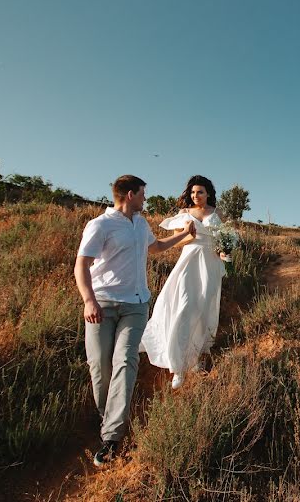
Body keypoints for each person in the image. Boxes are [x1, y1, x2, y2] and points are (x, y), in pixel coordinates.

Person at [74, 175, 195, 467]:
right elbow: (82, 265)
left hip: (136, 305)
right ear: (130, 195)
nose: (145, 199)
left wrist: (186, 235)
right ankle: (108, 418)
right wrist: (89, 301)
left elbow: (155, 248)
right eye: (142, 194)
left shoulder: (140, 224)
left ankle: (111, 437)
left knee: (126, 361)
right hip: (102, 304)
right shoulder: (100, 225)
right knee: (100, 366)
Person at [140, 175, 227, 390]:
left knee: (204, 309)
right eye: (193, 192)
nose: (196, 196)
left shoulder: (218, 213)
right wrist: (190, 235)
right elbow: (179, 241)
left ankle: (195, 359)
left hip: (212, 264)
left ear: (208, 194)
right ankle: (177, 367)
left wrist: (224, 251)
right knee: (185, 306)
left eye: (200, 192)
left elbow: (223, 240)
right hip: (190, 261)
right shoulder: (184, 214)